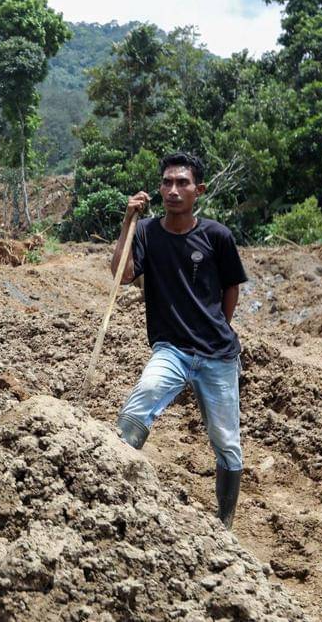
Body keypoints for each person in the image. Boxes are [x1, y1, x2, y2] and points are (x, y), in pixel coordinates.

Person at [111, 152, 248, 530]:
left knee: (226, 443)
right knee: (140, 403)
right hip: (171, 348)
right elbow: (122, 275)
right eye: (167, 183)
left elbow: (231, 286)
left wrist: (218, 325)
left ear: (198, 191)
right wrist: (127, 221)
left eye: (182, 183)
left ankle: (224, 522)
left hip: (217, 353)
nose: (173, 190)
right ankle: (111, 493)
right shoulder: (147, 232)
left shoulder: (217, 236)